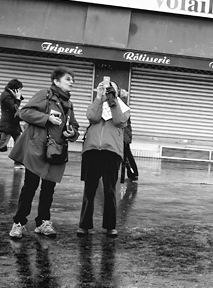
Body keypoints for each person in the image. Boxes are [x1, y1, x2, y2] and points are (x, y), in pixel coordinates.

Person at [8, 67, 79, 238]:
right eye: (68, 79)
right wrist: (46, 118)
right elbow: (23, 112)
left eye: (72, 80)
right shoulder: (45, 94)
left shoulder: (68, 103)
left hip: (56, 151)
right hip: (37, 149)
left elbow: (74, 125)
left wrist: (73, 133)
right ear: (56, 81)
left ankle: (43, 222)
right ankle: (18, 223)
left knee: (48, 189)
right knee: (30, 187)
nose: (72, 82)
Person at [77, 79, 129, 238]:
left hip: (111, 152)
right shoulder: (97, 102)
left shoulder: (124, 108)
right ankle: (84, 225)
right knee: (89, 190)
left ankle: (110, 226)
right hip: (92, 150)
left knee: (110, 190)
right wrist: (99, 97)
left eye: (110, 89)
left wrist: (113, 100)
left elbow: (120, 120)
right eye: (105, 88)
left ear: (117, 92)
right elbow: (91, 116)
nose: (107, 91)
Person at [120, 90, 139, 181]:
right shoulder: (124, 107)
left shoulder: (123, 108)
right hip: (125, 135)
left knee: (126, 155)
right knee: (126, 155)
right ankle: (132, 172)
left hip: (124, 136)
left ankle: (132, 172)